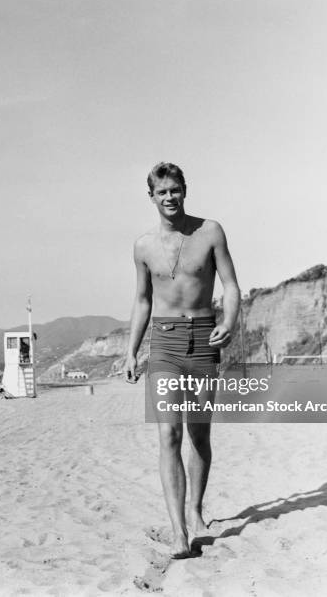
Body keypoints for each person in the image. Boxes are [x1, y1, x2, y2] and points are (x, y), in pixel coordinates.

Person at [125, 162, 240, 558]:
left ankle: (195, 510)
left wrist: (230, 320)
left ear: (185, 190)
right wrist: (131, 350)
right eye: (162, 192)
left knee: (199, 435)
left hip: (204, 339)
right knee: (168, 435)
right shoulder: (142, 246)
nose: (169, 197)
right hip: (164, 345)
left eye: (175, 190)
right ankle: (178, 532)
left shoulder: (210, 231)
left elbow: (231, 284)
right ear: (152, 197)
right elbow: (142, 301)